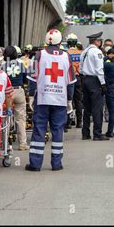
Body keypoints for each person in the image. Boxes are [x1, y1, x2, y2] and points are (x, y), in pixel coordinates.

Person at [26, 28, 76, 171]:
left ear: (46, 41)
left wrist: (31, 96)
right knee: (58, 131)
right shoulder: (67, 57)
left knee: (39, 130)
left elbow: (32, 79)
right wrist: (69, 100)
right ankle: (56, 164)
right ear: (60, 42)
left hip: (42, 99)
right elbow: (70, 82)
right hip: (60, 100)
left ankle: (35, 164)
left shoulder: (39, 55)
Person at [80, 32, 109, 141]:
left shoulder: (85, 51)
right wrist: (103, 83)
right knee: (97, 108)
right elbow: (99, 69)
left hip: (85, 79)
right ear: (97, 41)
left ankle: (85, 133)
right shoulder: (97, 52)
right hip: (94, 81)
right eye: (100, 41)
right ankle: (97, 133)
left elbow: (81, 68)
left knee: (87, 108)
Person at [4, 46, 29, 151]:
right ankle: (22, 144)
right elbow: (25, 80)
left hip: (7, 92)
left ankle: (4, 144)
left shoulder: (3, 66)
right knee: (20, 119)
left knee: (5, 118)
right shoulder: (21, 64)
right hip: (19, 91)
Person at [66, 33, 84, 129]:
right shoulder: (81, 53)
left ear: (68, 43)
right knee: (78, 101)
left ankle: (68, 122)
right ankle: (79, 122)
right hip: (79, 78)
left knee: (69, 100)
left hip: (69, 79)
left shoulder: (66, 53)